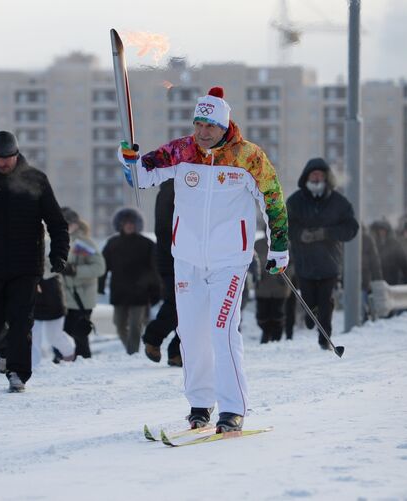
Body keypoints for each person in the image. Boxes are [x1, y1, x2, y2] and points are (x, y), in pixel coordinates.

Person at [118, 86, 289, 433]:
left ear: (224, 126)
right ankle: (199, 404)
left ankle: (232, 408)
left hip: (230, 260)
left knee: (222, 329)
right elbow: (141, 177)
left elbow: (273, 201)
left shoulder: (248, 157)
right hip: (188, 258)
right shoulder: (182, 151)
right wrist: (129, 159)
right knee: (191, 333)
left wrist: (278, 248)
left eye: (209, 125)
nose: (203, 132)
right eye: (198, 124)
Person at [0, 131, 69, 393]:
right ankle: (4, 347)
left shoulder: (35, 179)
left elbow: (56, 222)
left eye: (8, 158)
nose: (3, 163)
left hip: (26, 264)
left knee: (21, 319)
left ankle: (18, 373)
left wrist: (59, 253)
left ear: (16, 154)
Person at [287, 157, 359, 349]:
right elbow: (283, 225)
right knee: (309, 302)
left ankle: (324, 338)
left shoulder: (339, 202)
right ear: (306, 177)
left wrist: (327, 233)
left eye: (320, 174)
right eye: (313, 174)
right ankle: (311, 317)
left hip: (330, 263)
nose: (317, 178)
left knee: (325, 302)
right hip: (304, 264)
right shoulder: (295, 201)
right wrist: (301, 235)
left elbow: (351, 227)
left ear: (327, 178)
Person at [99, 207, 159, 356]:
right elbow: (103, 266)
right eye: (126, 222)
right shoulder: (112, 243)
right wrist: (100, 285)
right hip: (119, 291)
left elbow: (155, 269)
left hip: (140, 292)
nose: (129, 225)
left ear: (138, 224)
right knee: (119, 325)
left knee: (135, 326)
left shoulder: (147, 244)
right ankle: (131, 350)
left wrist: (155, 291)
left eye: (132, 222)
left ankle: (133, 353)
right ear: (120, 224)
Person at [140, 180, 183, 366]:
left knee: (195, 307)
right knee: (178, 304)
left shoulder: (190, 183)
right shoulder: (172, 188)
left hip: (191, 256)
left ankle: (177, 351)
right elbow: (164, 229)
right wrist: (179, 253)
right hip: (174, 257)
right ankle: (154, 338)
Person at [60, 207, 105, 359]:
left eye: (67, 223)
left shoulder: (82, 243)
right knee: (64, 333)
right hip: (64, 297)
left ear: (75, 224)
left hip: (81, 298)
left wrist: (74, 270)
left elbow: (99, 267)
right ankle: (65, 361)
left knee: (78, 335)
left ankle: (82, 362)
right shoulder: (57, 241)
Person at [31, 239, 76, 367]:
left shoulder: (50, 242)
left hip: (52, 294)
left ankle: (70, 353)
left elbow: (69, 268)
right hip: (32, 292)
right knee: (33, 336)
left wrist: (55, 261)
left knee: (54, 336)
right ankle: (32, 367)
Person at [254, 236, 290, 343]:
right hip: (262, 288)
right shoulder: (258, 244)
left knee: (277, 315)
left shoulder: (285, 244)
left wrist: (284, 277)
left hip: (280, 289)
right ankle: (266, 332)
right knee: (262, 316)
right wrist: (257, 276)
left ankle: (276, 338)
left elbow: (292, 263)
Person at [370, 220, 407, 286]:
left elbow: (404, 262)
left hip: (393, 278)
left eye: (383, 230)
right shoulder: (375, 243)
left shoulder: (395, 244)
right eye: (380, 230)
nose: (382, 232)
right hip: (379, 279)